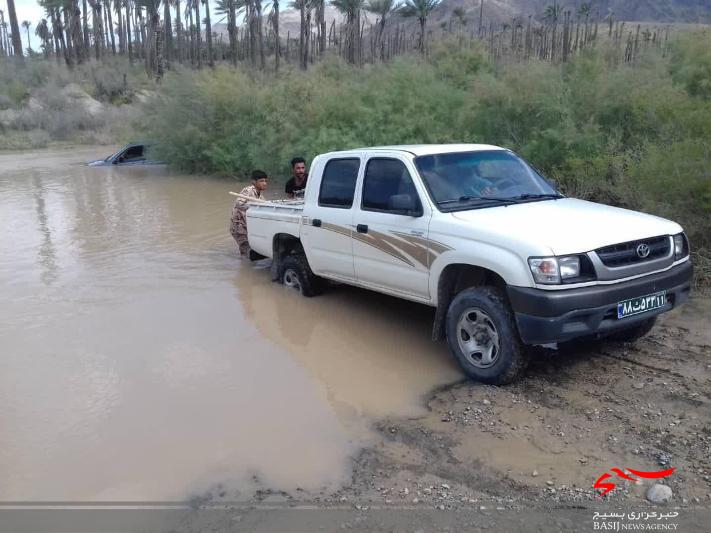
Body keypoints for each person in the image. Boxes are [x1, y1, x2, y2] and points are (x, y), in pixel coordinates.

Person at [230, 170, 268, 256]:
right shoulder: (248, 190)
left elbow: (265, 207)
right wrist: (255, 206)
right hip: (239, 226)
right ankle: (244, 268)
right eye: (261, 181)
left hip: (247, 227)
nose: (264, 183)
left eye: (266, 181)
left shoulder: (260, 196)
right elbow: (239, 203)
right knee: (246, 252)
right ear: (254, 182)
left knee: (250, 249)